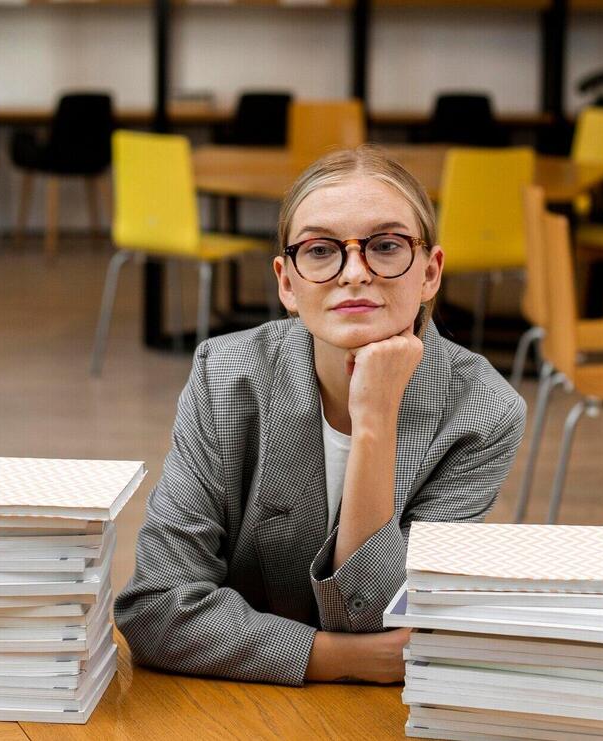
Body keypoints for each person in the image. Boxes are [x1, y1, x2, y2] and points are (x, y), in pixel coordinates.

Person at [114, 145, 526, 686]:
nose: (355, 273)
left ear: (430, 272)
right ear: (287, 282)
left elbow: (378, 614)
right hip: (228, 703)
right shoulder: (226, 377)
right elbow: (155, 610)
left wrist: (375, 420)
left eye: (385, 246)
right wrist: (338, 659)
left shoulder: (483, 411)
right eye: (320, 250)